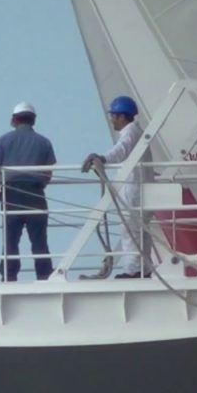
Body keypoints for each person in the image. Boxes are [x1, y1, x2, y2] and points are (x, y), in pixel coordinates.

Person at [83, 95, 154, 278]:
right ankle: (144, 269)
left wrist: (103, 159)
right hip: (142, 192)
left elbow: (120, 151)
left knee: (130, 231)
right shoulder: (137, 132)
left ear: (122, 116)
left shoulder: (130, 133)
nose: (112, 119)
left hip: (134, 193)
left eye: (113, 115)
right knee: (141, 234)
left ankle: (133, 271)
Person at [0, 101, 56, 281]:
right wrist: (38, 186)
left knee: (10, 241)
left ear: (14, 119)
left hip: (11, 194)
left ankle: (9, 276)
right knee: (39, 241)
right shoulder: (44, 142)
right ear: (33, 120)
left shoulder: (5, 140)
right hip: (35, 194)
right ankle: (44, 275)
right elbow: (48, 173)